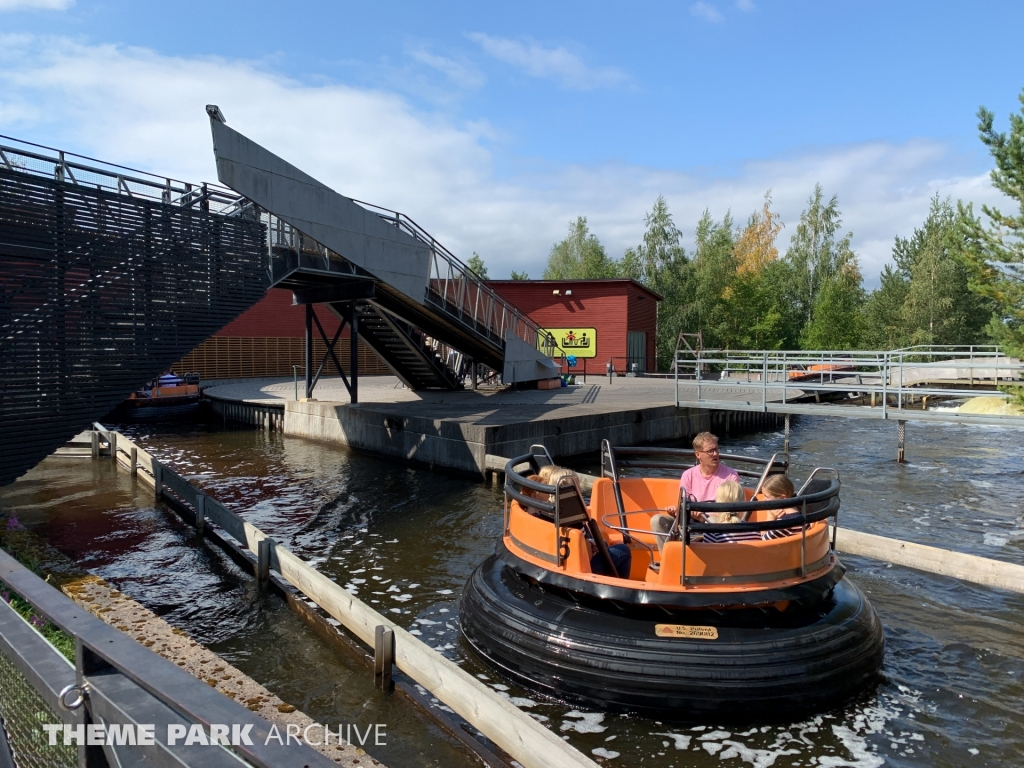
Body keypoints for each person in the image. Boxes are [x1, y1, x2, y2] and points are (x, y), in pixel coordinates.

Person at [650, 432, 740, 551]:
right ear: (698, 454)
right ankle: (668, 559)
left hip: (715, 521)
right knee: (657, 520)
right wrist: (677, 512)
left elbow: (731, 511)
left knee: (712, 521)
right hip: (689, 521)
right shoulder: (688, 475)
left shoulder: (731, 475)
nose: (715, 454)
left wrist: (703, 516)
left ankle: (711, 559)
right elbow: (683, 505)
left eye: (716, 449)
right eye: (710, 451)